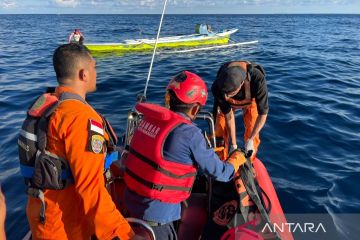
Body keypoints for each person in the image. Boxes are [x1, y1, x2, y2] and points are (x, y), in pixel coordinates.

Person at [23, 44, 135, 239]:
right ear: (84, 74)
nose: (96, 72)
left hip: (41, 215)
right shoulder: (80, 118)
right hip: (65, 226)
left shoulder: (48, 103)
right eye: (95, 67)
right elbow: (91, 188)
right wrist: (126, 235)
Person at [122, 71, 247, 239]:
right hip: (158, 221)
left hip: (129, 207)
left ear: (169, 98)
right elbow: (221, 173)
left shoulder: (146, 121)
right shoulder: (190, 134)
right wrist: (236, 158)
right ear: (195, 108)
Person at [211, 60, 268, 160]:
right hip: (227, 105)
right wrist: (233, 144)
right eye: (225, 94)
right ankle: (220, 162)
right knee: (218, 132)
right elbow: (228, 116)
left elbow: (263, 114)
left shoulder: (257, 79)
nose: (226, 96)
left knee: (252, 133)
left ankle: (248, 163)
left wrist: (250, 139)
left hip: (251, 101)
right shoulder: (217, 87)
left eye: (231, 93)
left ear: (242, 83)